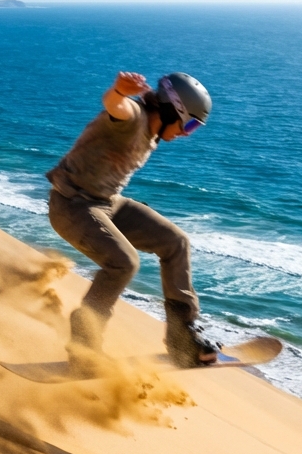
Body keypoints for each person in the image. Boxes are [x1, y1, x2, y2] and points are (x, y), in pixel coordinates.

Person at [46, 70, 220, 371]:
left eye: (195, 127)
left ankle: (182, 336)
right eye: (189, 123)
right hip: (72, 205)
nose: (186, 133)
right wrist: (118, 91)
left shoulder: (153, 131)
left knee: (175, 242)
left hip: (108, 203)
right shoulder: (134, 118)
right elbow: (116, 107)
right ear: (170, 110)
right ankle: (84, 344)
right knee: (124, 263)